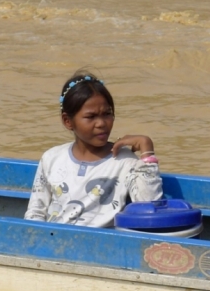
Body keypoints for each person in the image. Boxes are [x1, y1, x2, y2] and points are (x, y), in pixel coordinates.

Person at [24, 71, 163, 227]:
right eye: (91, 117)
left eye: (107, 114)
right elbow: (35, 213)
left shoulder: (125, 161)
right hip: (53, 241)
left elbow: (150, 211)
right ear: (68, 121)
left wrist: (147, 150)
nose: (101, 123)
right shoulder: (52, 158)